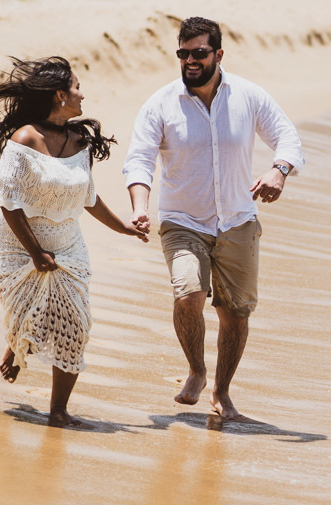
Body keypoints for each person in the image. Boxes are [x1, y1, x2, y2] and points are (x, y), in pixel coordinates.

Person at [123, 16, 304, 423]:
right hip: (183, 220)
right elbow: (139, 160)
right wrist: (139, 206)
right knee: (188, 294)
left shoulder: (249, 96)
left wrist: (279, 170)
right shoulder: (161, 103)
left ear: (218, 54)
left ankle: (222, 393)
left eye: (199, 53)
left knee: (235, 314)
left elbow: (287, 137)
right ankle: (196, 371)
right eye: (183, 53)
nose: (190, 60)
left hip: (238, 220)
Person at [0, 56, 147, 428]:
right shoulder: (24, 140)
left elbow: (89, 196)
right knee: (37, 315)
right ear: (59, 94)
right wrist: (36, 253)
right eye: (77, 87)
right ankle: (21, 337)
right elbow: (9, 203)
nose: (82, 95)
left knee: (76, 324)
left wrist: (123, 228)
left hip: (69, 250)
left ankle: (58, 410)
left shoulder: (79, 140)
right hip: (19, 253)